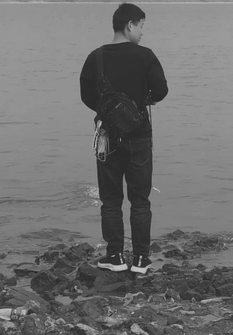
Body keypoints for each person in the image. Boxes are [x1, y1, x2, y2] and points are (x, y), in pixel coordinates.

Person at [80, 3, 168, 275]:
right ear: (130, 25)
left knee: (110, 199)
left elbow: (86, 95)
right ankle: (141, 259)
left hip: (107, 137)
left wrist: (109, 113)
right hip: (139, 137)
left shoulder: (96, 57)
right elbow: (161, 90)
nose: (142, 32)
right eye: (141, 26)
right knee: (140, 200)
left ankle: (115, 256)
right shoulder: (146, 56)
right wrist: (143, 100)